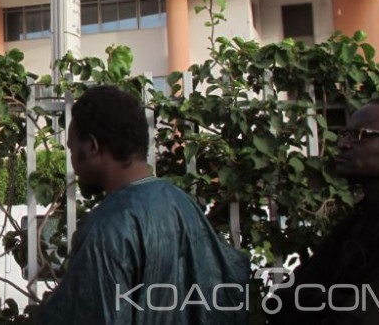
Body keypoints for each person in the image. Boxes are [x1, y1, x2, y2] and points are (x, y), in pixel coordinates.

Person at [39, 85, 248, 325]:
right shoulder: (183, 204)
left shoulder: (104, 230)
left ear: (92, 146)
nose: (73, 162)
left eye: (72, 149)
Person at [270, 97, 379, 323]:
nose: (343, 143)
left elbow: (371, 314)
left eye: (360, 135)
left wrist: (326, 301)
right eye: (345, 133)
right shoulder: (359, 220)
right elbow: (284, 300)